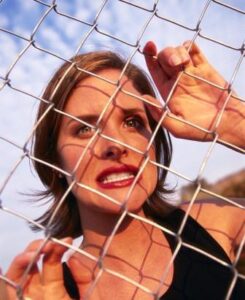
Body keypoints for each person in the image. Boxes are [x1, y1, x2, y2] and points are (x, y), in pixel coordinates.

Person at [2, 40, 245, 300]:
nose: (114, 144)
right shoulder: (46, 293)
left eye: (132, 122)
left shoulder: (212, 223)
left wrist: (234, 124)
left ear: (153, 140)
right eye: (84, 129)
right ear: (56, 162)